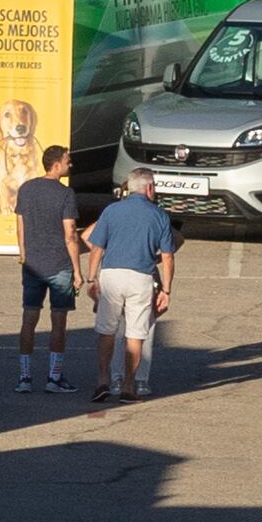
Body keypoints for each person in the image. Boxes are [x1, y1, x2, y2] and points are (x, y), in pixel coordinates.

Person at [86, 171, 181, 401]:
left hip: (111, 275)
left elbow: (96, 247)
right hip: (141, 276)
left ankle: (103, 381)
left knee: (107, 330)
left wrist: (91, 279)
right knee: (135, 335)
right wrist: (166, 290)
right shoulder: (158, 215)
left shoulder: (111, 211)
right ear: (149, 188)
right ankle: (129, 385)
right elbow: (168, 256)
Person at [11, 144, 80, 395]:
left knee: (29, 319)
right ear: (56, 164)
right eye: (67, 161)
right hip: (59, 264)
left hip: (32, 264)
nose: (69, 165)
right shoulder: (65, 194)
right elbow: (70, 234)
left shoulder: (26, 189)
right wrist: (78, 271)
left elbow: (20, 224)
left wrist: (23, 254)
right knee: (58, 322)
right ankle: (54, 376)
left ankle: (25, 376)